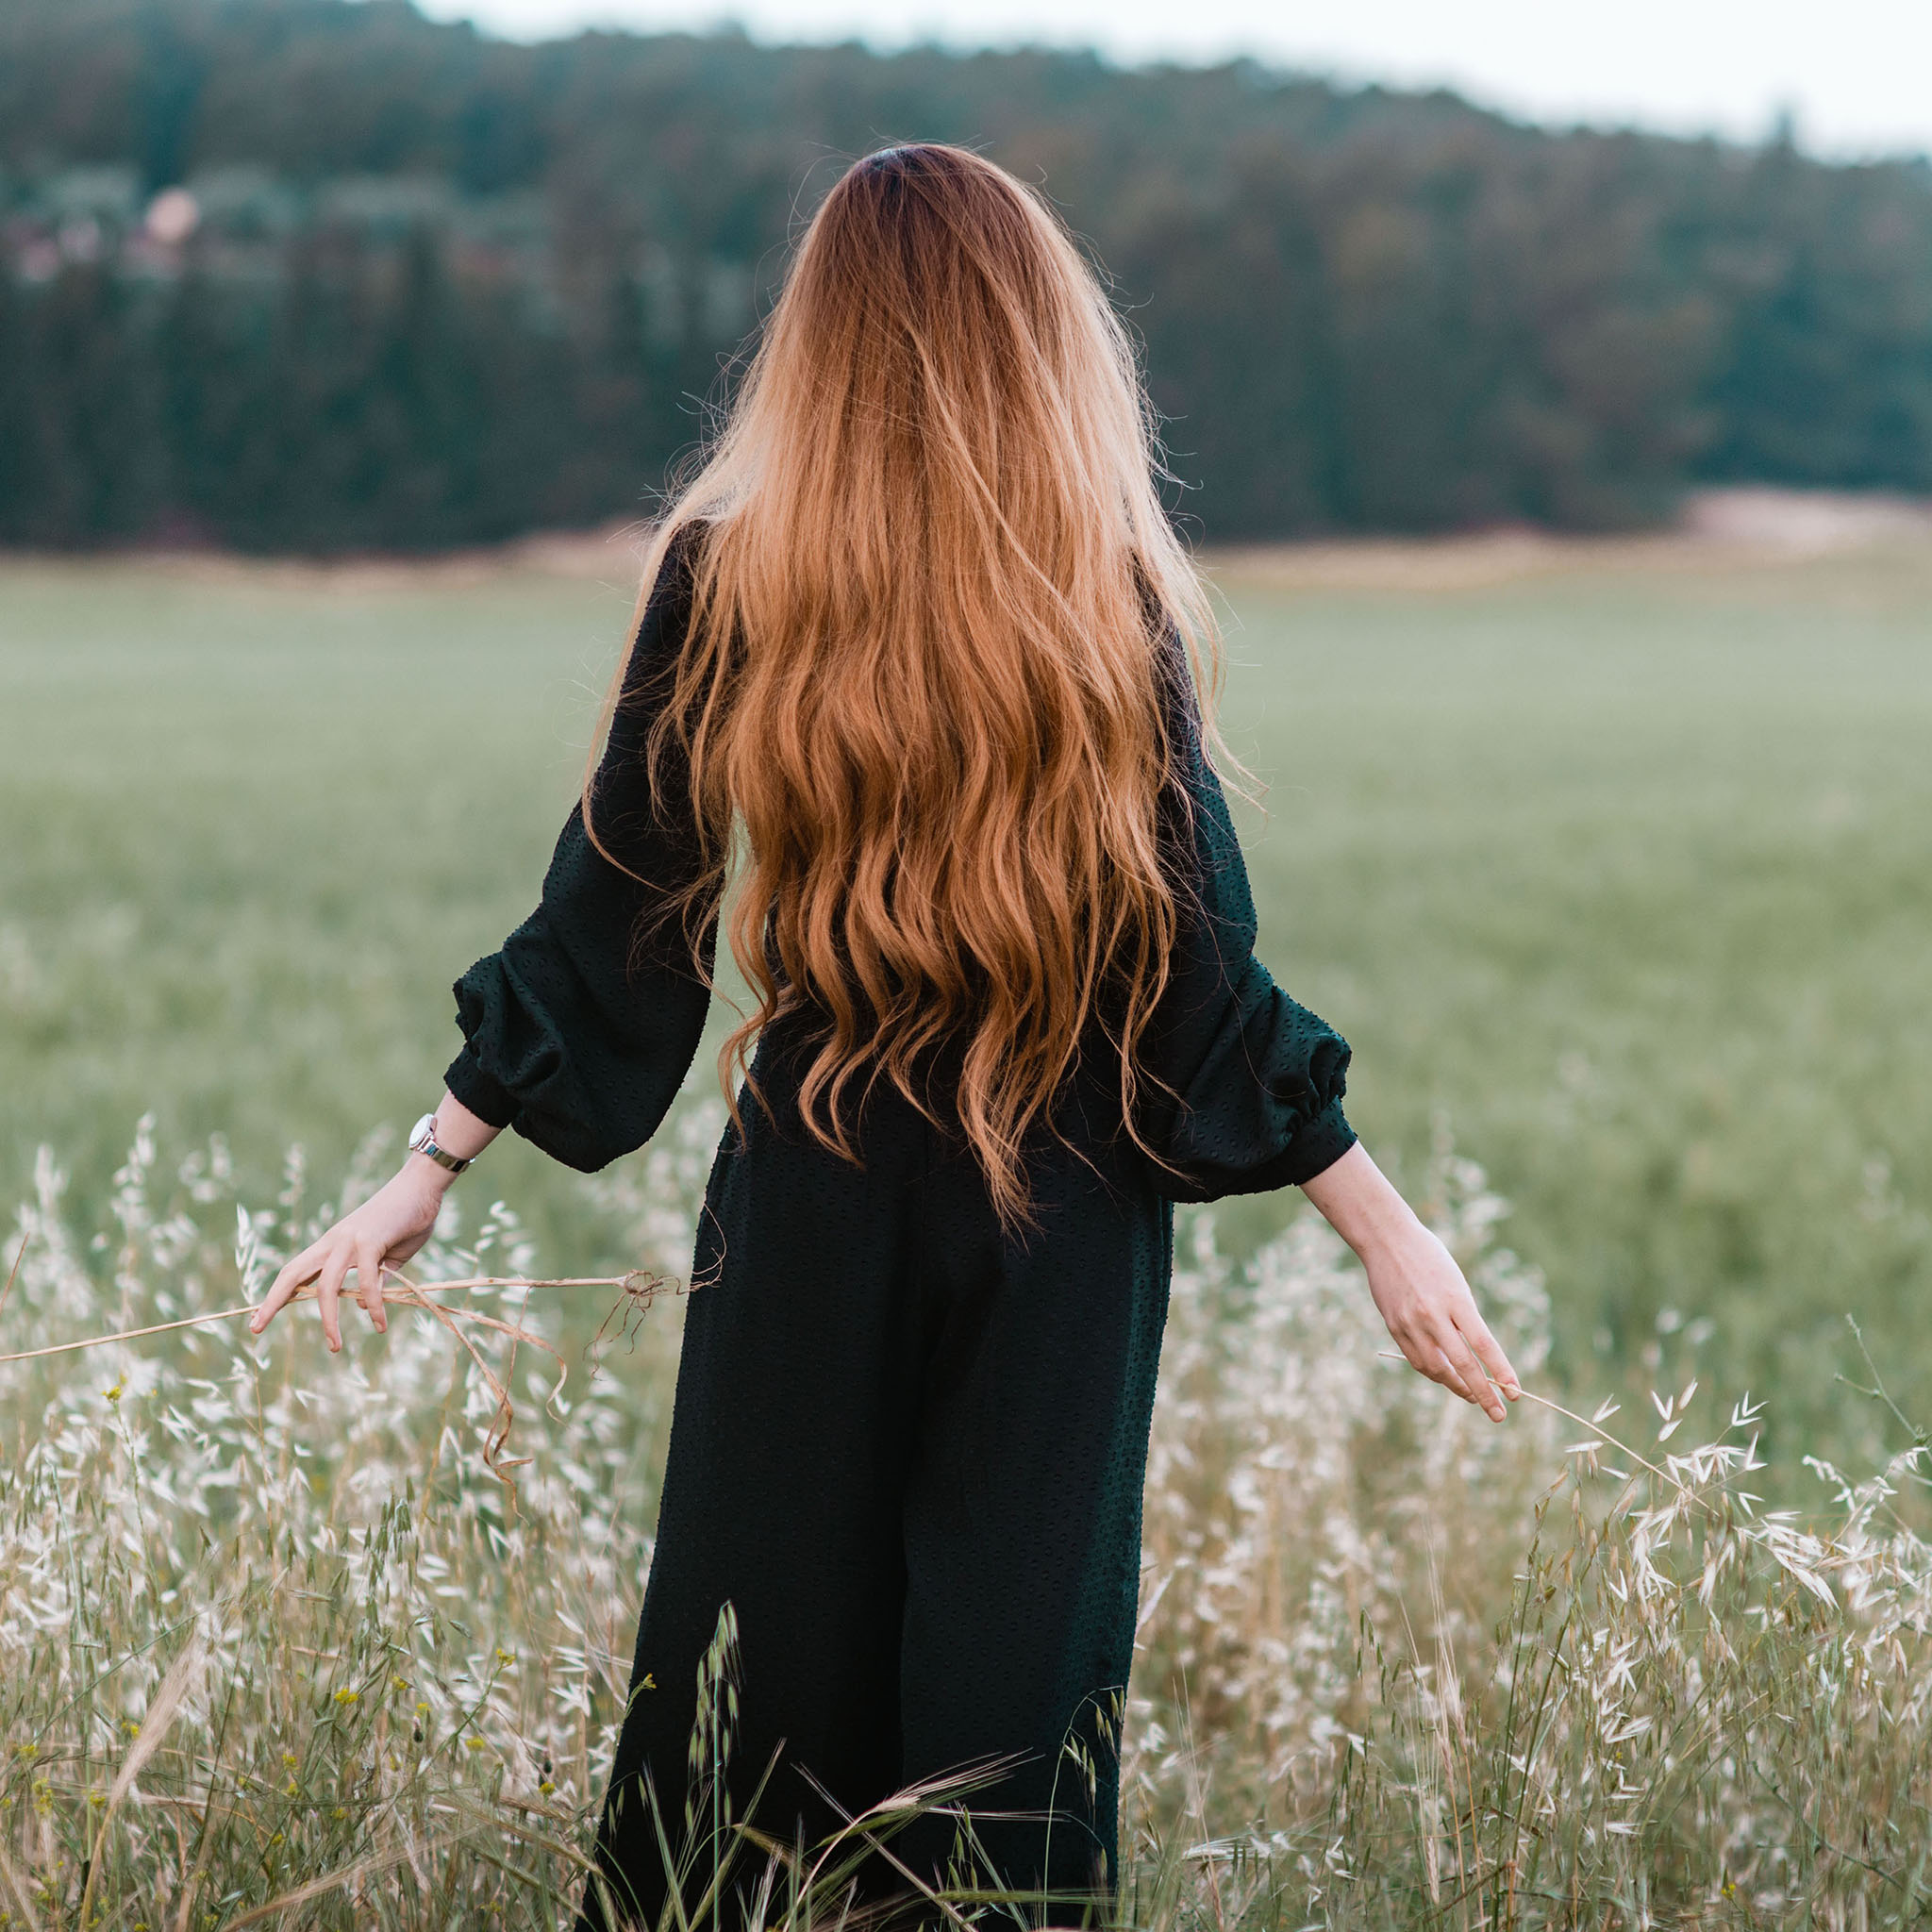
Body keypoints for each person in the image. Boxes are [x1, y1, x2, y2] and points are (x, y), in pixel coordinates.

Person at [250, 142, 1521, 1926]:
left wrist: (424, 1171)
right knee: (1011, 1740)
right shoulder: (1102, 592)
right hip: (1063, 1202)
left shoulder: (731, 571)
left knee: (753, 1726)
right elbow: (1192, 974)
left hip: (815, 1180)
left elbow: (616, 919)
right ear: (1041, 340)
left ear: (817, 343)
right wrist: (1386, 1226)